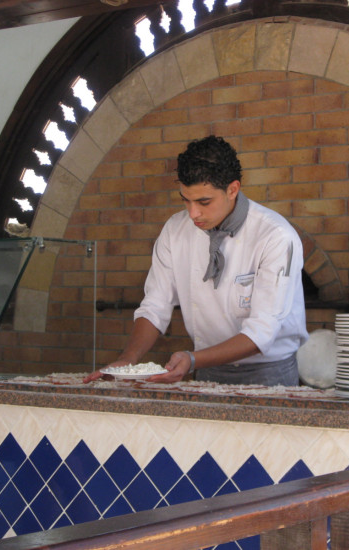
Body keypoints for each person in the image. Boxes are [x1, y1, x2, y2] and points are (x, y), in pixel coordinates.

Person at [84, 135, 308, 386]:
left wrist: (192, 360)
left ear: (233, 189)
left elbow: (262, 332)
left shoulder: (276, 236)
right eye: (186, 200)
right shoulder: (175, 230)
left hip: (269, 373)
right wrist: (128, 359)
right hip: (206, 368)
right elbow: (155, 305)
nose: (193, 214)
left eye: (204, 202)